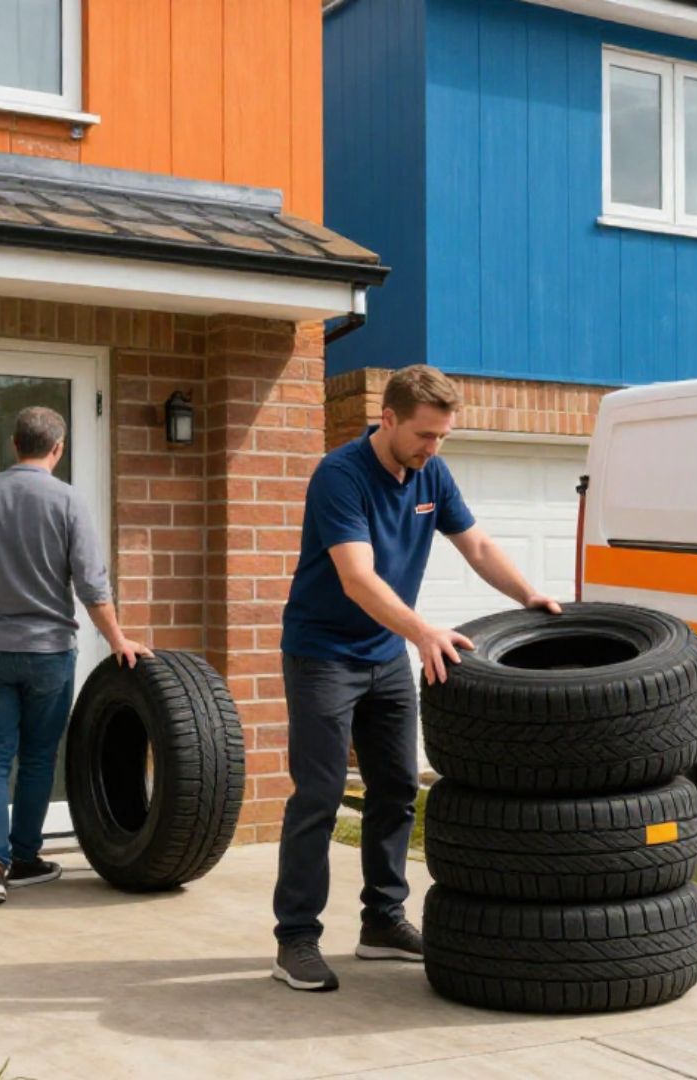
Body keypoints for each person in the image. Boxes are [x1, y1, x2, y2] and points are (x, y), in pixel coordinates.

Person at [271, 365, 561, 992]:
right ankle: (295, 937)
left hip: (385, 655)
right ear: (390, 419)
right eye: (425, 435)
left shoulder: (433, 473)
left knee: (398, 788)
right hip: (324, 654)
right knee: (319, 797)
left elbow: (477, 547)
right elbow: (357, 577)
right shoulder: (340, 476)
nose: (434, 448)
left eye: (443, 437)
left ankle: (382, 922)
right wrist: (424, 631)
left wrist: (529, 595)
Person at [0, 406, 152, 905]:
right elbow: (91, 585)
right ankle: (27, 857)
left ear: (15, 445)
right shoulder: (69, 500)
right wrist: (118, 639)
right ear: (58, 449)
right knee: (37, 758)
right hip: (49, 652)